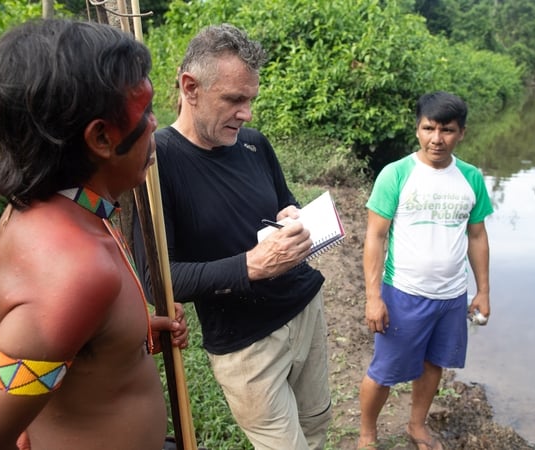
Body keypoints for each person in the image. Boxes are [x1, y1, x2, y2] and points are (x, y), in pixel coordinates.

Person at [0, 18, 189, 450]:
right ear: (102, 138)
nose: (155, 123)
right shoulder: (75, 273)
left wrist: (127, 333)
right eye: (144, 111)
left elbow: (59, 345)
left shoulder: (68, 205)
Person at [133, 23, 332, 450]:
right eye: (235, 100)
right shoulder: (155, 163)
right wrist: (251, 265)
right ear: (190, 87)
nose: (247, 114)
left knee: (316, 426)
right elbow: (157, 280)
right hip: (247, 344)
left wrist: (293, 215)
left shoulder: (254, 145)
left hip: (304, 309)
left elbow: (285, 202)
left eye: (251, 100)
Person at [357, 91, 493, 450]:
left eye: (446, 130)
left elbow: (477, 236)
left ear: (461, 132)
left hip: (451, 297)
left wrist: (483, 291)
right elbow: (375, 237)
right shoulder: (396, 174)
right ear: (417, 130)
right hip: (403, 292)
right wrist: (374, 298)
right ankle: (367, 435)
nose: (437, 138)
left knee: (435, 365)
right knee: (384, 371)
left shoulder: (471, 178)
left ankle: (417, 426)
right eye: (428, 128)